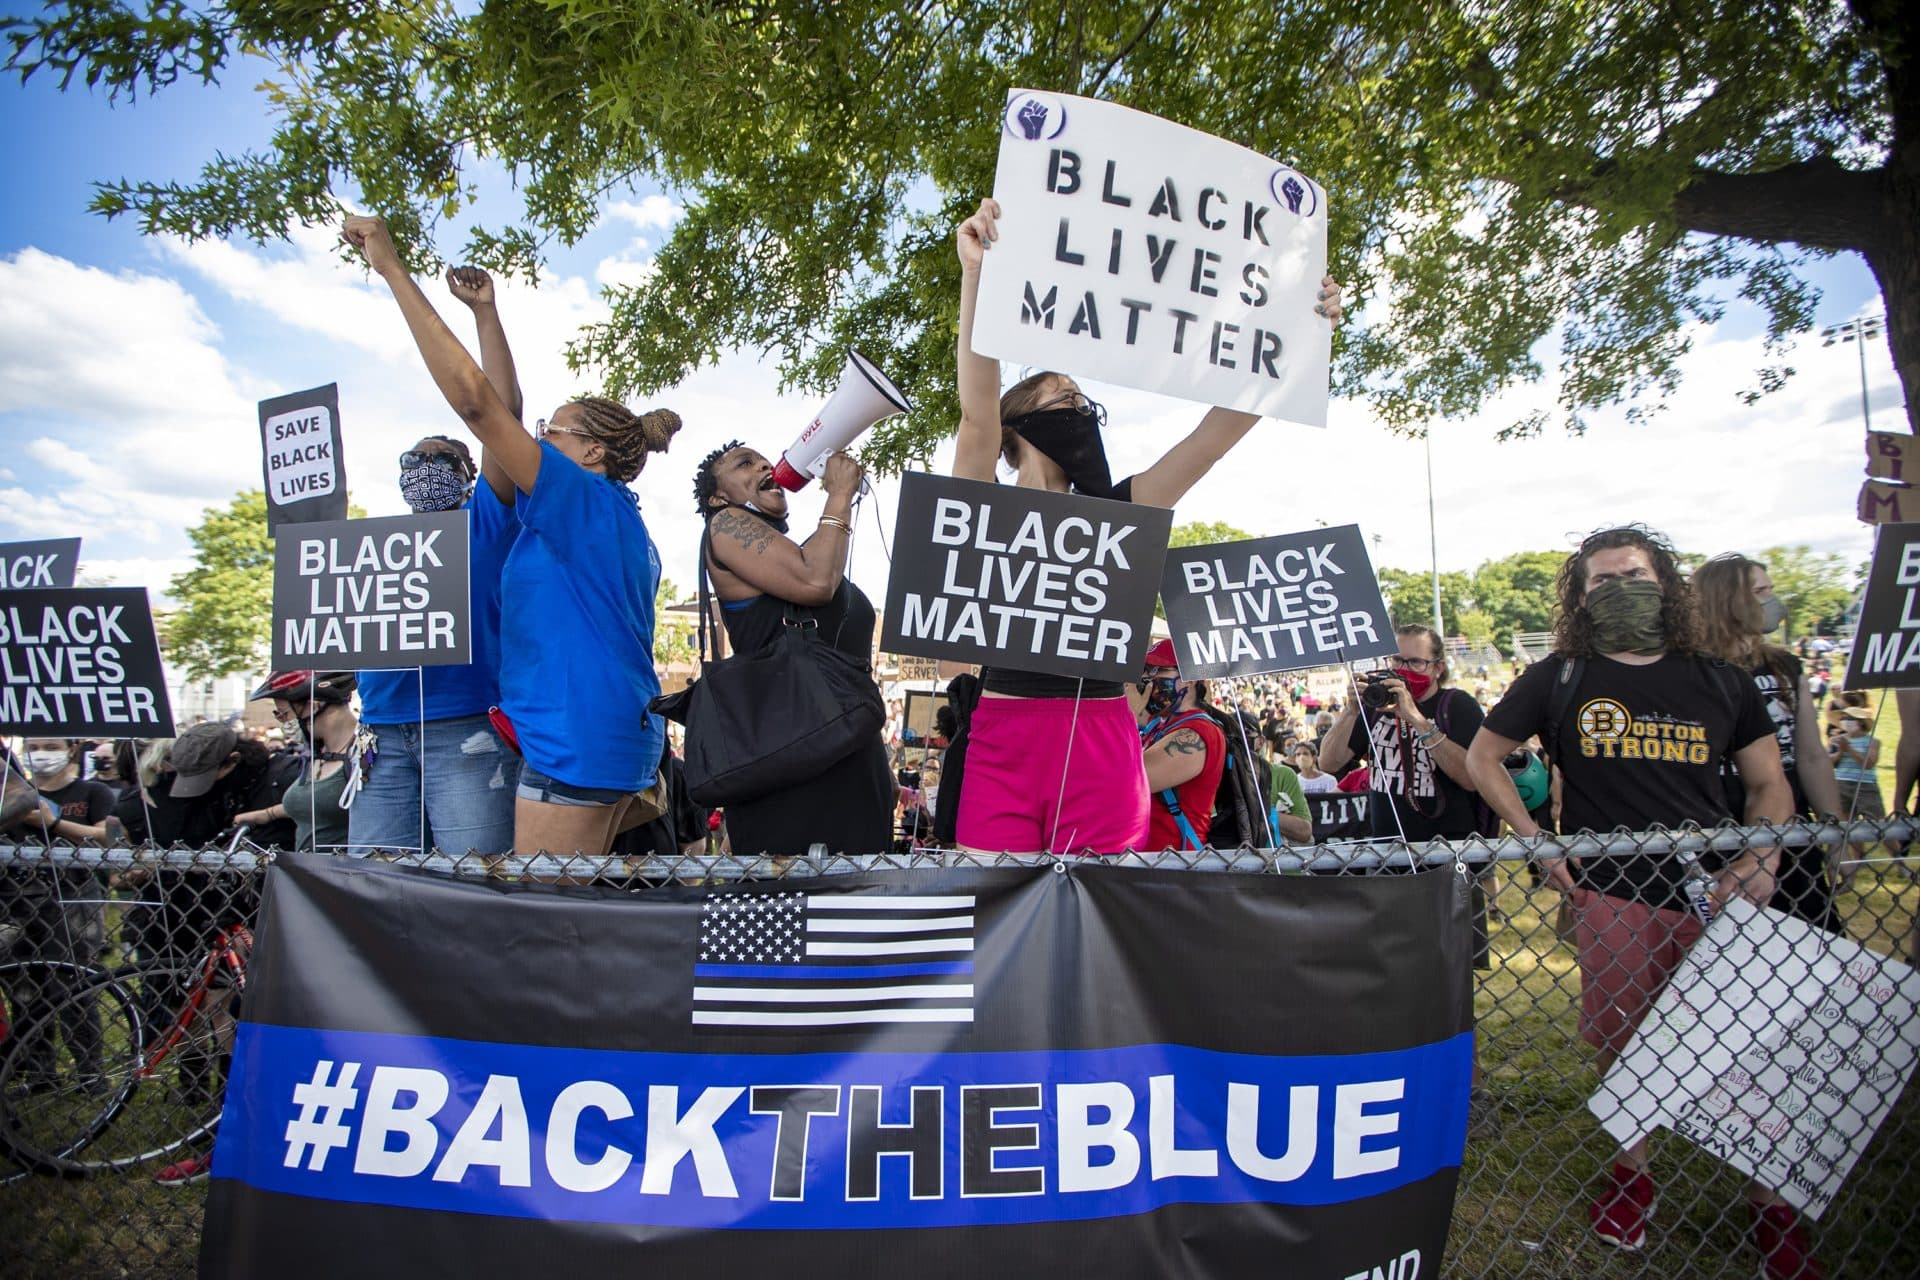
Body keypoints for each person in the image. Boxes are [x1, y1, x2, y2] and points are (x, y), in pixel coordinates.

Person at [1465, 526, 1811, 1277]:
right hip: (1613, 889)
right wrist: (1534, 838)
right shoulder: (1561, 673)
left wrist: (1761, 852)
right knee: (1624, 1039)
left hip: (1716, 889)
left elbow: (1768, 782)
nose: (1617, 588)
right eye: (1600, 580)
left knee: (1744, 1047)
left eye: (1633, 573)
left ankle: (1771, 1202)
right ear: (1580, 596)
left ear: (1666, 583)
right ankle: (1633, 1172)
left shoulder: (1717, 679)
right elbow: (1483, 756)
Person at [948, 197, 1340, 853]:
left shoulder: (1125, 509)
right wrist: (977, 276)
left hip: (1101, 737)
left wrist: (1299, 338)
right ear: (1019, 424)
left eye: (1082, 401)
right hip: (1003, 737)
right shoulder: (982, 501)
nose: (1078, 408)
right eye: (1060, 397)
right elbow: (976, 415)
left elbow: (1210, 440)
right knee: (996, 920)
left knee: (1103, 922)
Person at [344, 213, 678, 857]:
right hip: (588, 736)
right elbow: (499, 415)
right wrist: (486, 314)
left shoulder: (581, 500)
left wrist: (391, 268)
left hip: (576, 742)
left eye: (553, 432)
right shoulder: (601, 515)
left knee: (540, 923)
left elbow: (482, 408)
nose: (536, 442)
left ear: (592, 454)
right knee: (555, 912)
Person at [349, 267, 522, 860]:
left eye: (443, 456)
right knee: (375, 887)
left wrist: (484, 314)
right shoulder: (373, 545)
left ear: (468, 473)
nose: (425, 464)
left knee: (474, 882)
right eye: (413, 458)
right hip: (380, 734)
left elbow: (499, 415)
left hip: (464, 728)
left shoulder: (485, 519)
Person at [688, 440, 893, 856]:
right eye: (745, 463)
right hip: (791, 771)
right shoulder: (725, 524)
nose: (764, 464)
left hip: (851, 766)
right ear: (717, 496)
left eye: (765, 458)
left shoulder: (802, 550)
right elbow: (815, 583)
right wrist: (838, 495)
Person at [1692, 553, 1846, 927]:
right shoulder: (1692, 670)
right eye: (1760, 591)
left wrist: (1837, 827)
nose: (1771, 600)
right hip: (1717, 831)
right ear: (1726, 600)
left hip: (1787, 827)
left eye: (1770, 589)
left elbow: (1810, 756)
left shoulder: (1784, 667)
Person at [1319, 624, 1487, 847]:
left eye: (1416, 662)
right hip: (1387, 851)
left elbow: (1471, 778)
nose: (1403, 669)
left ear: (1438, 668)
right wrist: (1351, 709)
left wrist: (1416, 720)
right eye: (1397, 660)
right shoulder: (1375, 707)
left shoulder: (1458, 706)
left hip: (1447, 850)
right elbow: (1328, 762)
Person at [237, 671, 363, 854]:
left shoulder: (364, 754)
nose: (283, 722)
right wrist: (267, 814)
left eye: (282, 714)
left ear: (313, 706)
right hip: (307, 875)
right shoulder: (318, 753)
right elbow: (318, 802)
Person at [1135, 640, 1228, 851]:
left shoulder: (1198, 732)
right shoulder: (1159, 725)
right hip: (1146, 861)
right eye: (1145, 671)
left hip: (1173, 865)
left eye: (1157, 670)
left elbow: (1129, 783)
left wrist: (1127, 718)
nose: (1147, 679)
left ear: (1189, 680)